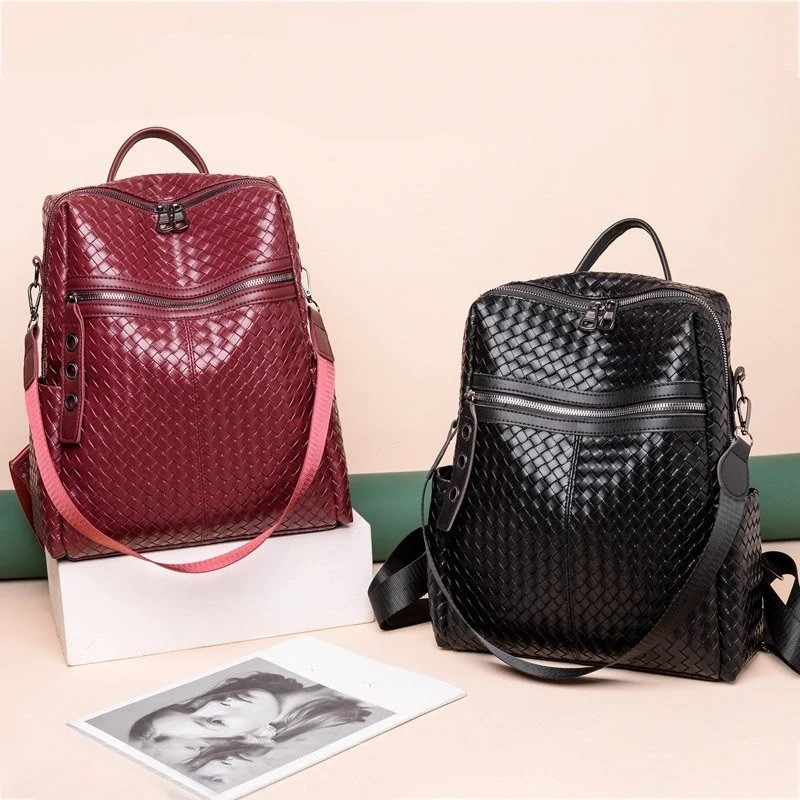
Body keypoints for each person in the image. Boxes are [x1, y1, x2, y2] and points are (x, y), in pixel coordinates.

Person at [129, 671, 372, 759]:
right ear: (256, 736)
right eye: (215, 721)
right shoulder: (364, 702)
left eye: (190, 707)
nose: (213, 703)